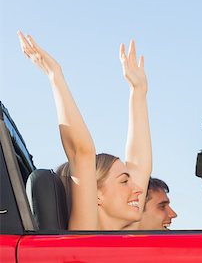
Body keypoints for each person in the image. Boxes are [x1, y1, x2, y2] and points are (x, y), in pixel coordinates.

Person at [18, 32, 152, 230]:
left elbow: (140, 165)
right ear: (96, 194)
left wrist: (138, 92)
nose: (139, 189)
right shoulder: (85, 233)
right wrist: (55, 76)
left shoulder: (122, 235)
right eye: (124, 181)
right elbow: (82, 153)